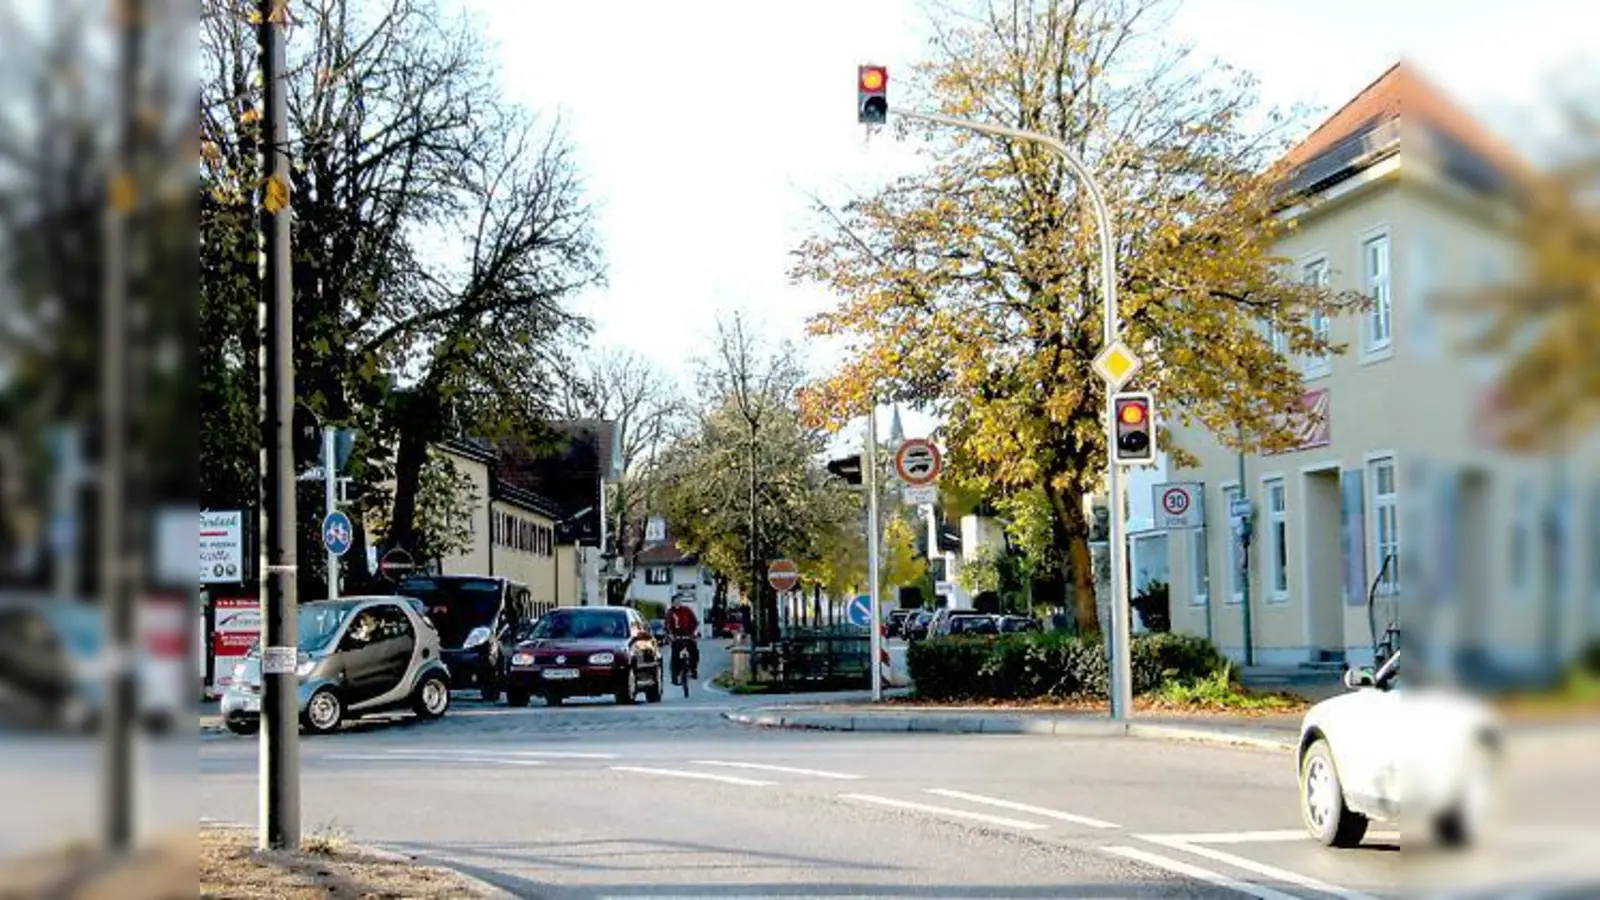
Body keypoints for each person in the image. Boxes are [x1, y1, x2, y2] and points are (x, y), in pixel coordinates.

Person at [665, 599, 700, 680]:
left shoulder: (686, 610)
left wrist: (693, 633)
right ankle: (675, 675)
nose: (677, 604)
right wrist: (670, 635)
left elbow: (694, 622)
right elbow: (667, 626)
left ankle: (693, 669)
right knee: (675, 655)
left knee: (694, 651)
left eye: (678, 602)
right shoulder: (670, 613)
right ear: (672, 603)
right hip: (676, 637)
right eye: (675, 602)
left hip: (688, 635)